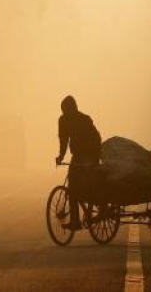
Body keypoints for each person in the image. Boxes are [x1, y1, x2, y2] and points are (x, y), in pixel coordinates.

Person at [55, 95, 101, 230]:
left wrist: (95, 159)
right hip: (78, 155)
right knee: (73, 188)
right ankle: (75, 220)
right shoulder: (64, 120)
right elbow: (63, 140)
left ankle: (78, 219)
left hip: (90, 154)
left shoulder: (84, 119)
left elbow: (96, 139)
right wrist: (61, 156)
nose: (66, 113)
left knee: (81, 186)